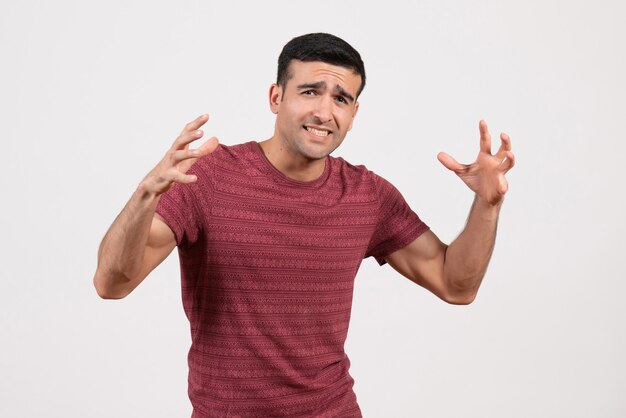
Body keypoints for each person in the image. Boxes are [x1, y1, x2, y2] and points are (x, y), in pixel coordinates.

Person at [93, 33, 515, 418]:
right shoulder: (208, 177)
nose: (324, 112)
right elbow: (112, 283)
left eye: (341, 99)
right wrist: (145, 195)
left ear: (354, 113)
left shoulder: (368, 195)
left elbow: (456, 285)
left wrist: (487, 204)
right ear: (276, 97)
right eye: (310, 91)